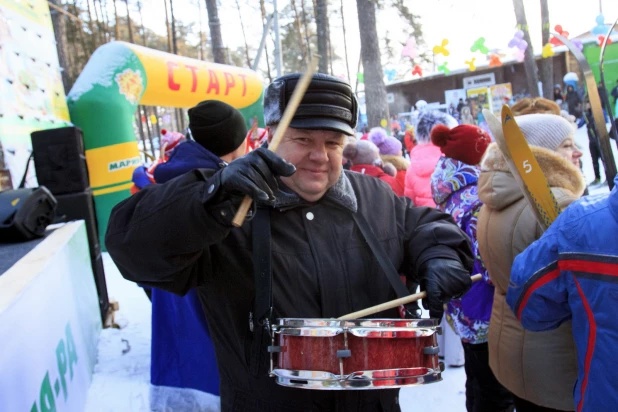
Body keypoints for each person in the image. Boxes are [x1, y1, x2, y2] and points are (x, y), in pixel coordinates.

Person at [105, 73, 475, 411]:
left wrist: (440, 256)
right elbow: (130, 246)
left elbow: (425, 226)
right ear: (270, 134)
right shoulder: (227, 206)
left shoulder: (374, 196)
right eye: (302, 139)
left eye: (332, 142)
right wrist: (209, 198)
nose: (319, 155)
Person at [478, 113, 585, 412]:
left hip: (512, 349)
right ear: (542, 153)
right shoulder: (556, 203)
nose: (577, 152)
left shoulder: (495, 199)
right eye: (566, 145)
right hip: (556, 355)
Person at [149, 100, 250, 410]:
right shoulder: (222, 195)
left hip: (174, 314)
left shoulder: (168, 184)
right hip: (211, 323)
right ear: (236, 144)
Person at [507, 174, 618, 412]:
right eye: (567, 144)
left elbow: (529, 303)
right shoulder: (580, 221)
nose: (577, 151)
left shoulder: (583, 222)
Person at [430, 124, 514, 411]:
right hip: (484, 307)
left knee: (478, 381)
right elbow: (490, 258)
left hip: (464, 303)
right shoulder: (476, 199)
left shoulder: (449, 188)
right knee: (495, 390)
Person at [404, 110, 458, 207]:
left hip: (427, 219)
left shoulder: (411, 168)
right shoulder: (456, 161)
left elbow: (410, 203)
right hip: (454, 219)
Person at [584, 101, 603, 185]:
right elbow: (580, 123)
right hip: (592, 141)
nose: (587, 106)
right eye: (586, 104)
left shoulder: (597, 112)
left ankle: (609, 176)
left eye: (589, 104)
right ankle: (597, 178)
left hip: (599, 139)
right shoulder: (586, 115)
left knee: (604, 159)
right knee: (594, 160)